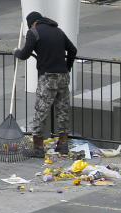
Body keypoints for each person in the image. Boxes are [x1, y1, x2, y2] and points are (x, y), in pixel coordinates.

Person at [13, 11, 77, 157]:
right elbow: (73, 50)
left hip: (48, 78)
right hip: (63, 77)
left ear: (32, 24)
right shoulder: (58, 31)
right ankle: (63, 144)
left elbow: (24, 54)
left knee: (40, 112)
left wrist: (16, 52)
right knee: (63, 111)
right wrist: (67, 68)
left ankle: (37, 147)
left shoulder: (33, 33)